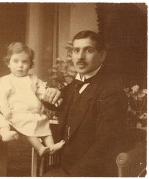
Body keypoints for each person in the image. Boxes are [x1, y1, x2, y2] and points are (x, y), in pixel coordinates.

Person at [44, 30, 127, 177]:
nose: (80, 57)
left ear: (102, 55)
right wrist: (51, 92)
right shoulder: (76, 83)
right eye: (76, 51)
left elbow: (105, 144)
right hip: (66, 167)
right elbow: (56, 101)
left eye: (88, 50)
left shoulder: (111, 90)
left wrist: (75, 175)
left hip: (91, 172)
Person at [0, 42, 65, 157]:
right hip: (17, 113)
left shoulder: (33, 79)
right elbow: (1, 98)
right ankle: (40, 148)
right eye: (16, 61)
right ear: (8, 63)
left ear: (31, 64)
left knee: (45, 125)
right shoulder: (6, 80)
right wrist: (5, 110)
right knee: (28, 128)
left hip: (35, 113)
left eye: (25, 62)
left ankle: (51, 146)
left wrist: (54, 99)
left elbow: (43, 93)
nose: (20, 65)